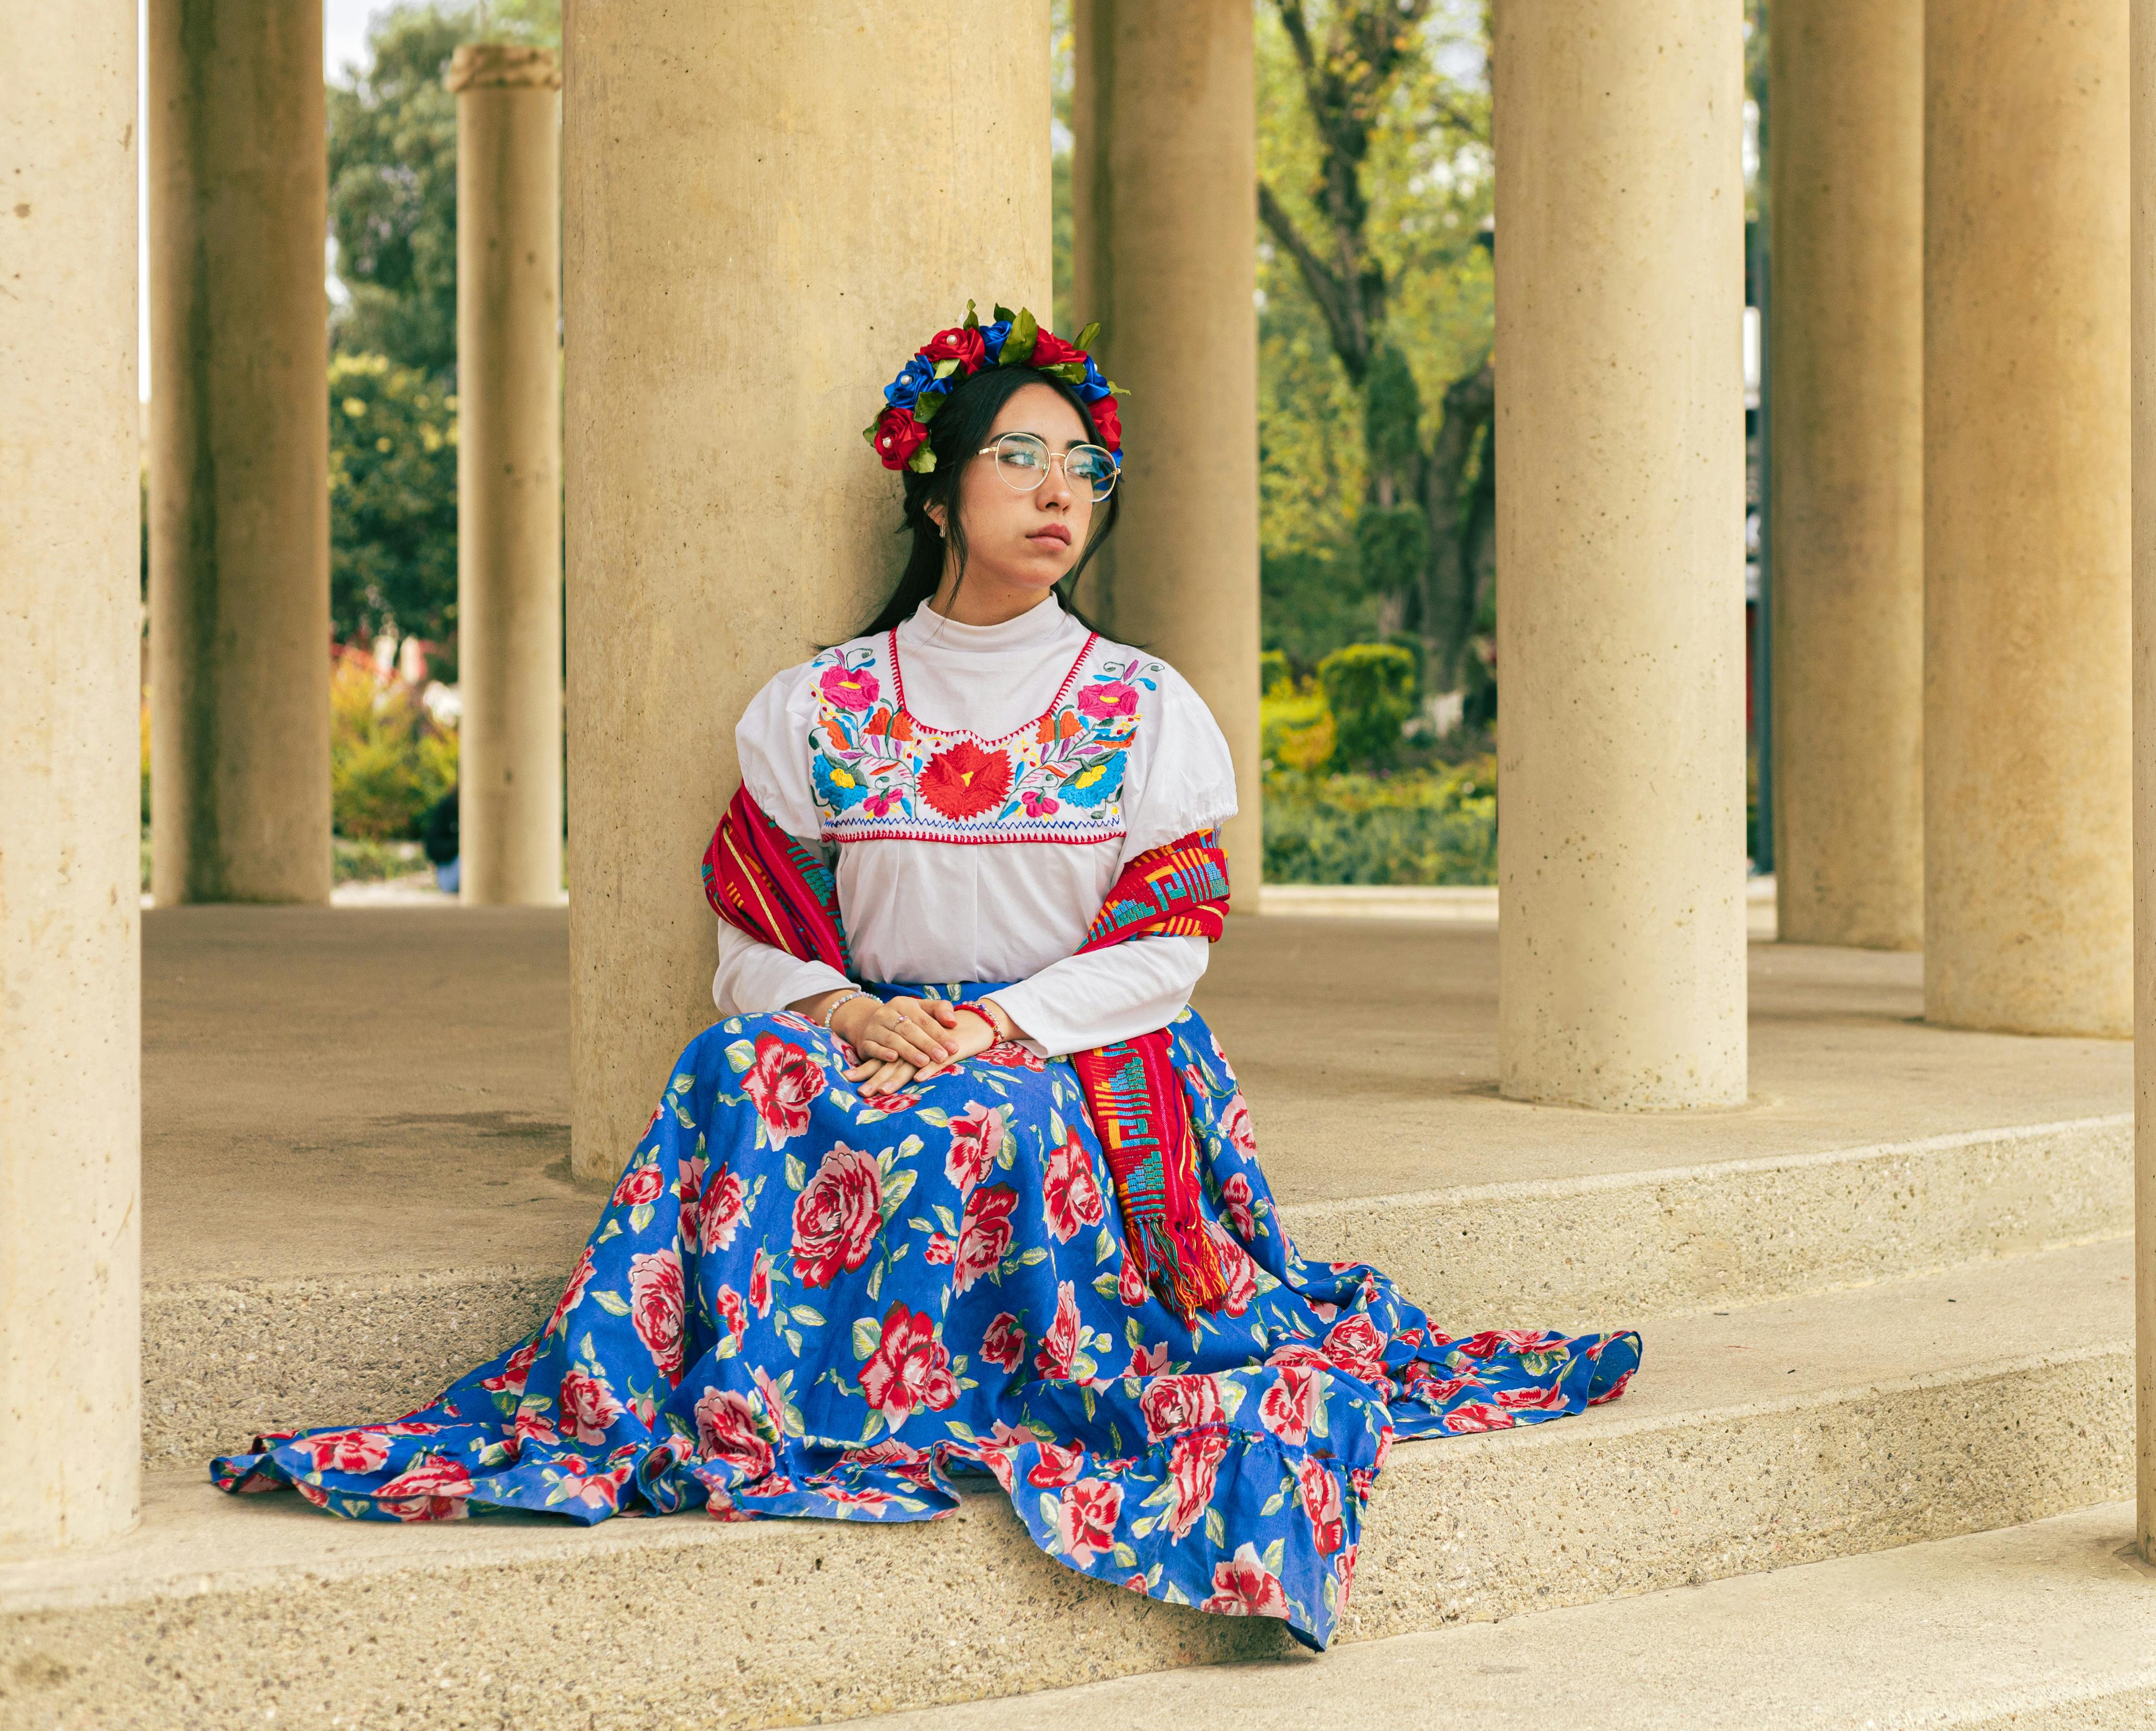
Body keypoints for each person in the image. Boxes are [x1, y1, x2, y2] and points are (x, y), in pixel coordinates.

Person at [215, 303, 1639, 1651]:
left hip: (1073, 1058)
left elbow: (1167, 950)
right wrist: (851, 1012)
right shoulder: (821, 706)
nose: (1060, 487)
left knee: (991, 1118)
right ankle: (773, 1404)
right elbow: (753, 944)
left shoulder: (1144, 710)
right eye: (1019, 455)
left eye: (1084, 464)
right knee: (727, 1065)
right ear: (940, 493)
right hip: (875, 1035)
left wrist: (992, 1023)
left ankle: (924, 1402)